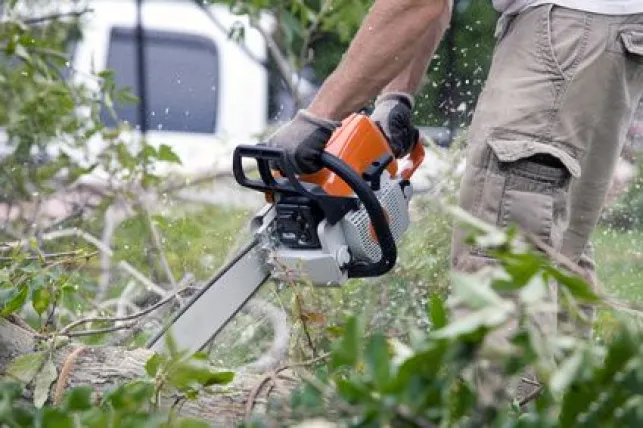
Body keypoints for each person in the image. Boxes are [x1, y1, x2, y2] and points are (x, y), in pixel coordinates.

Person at [265, 0, 643, 399]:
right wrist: (397, 99)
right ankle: (555, 410)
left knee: (501, 260)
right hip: (607, 40)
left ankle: (503, 414)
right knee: (554, 251)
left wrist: (318, 117)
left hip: (562, 34)